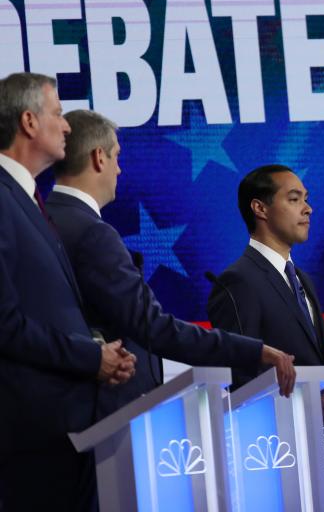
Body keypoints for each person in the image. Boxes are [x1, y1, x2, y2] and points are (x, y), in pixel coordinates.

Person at [46, 109, 297, 418]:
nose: (119, 171)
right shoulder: (92, 234)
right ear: (99, 158)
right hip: (104, 416)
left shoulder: (42, 220)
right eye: (117, 157)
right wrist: (254, 350)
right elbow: (153, 327)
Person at [0, 72, 135, 511]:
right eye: (57, 114)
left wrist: (95, 349)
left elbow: (44, 309)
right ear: (28, 122)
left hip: (66, 434)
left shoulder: (28, 200)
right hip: (33, 440)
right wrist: (90, 357)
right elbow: (6, 323)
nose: (67, 125)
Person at [208, 165, 324, 400]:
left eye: (306, 199)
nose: (308, 209)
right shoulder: (238, 281)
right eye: (295, 199)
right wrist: (305, 403)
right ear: (260, 208)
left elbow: (315, 369)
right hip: (277, 433)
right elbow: (240, 378)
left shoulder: (302, 278)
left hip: (322, 431)